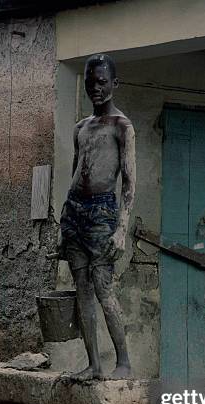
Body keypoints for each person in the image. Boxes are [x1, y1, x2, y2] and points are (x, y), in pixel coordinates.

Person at [57, 53, 136, 381]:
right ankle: (93, 364)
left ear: (114, 84)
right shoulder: (80, 127)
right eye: (90, 83)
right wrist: (64, 220)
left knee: (104, 289)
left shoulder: (122, 126)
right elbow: (76, 172)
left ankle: (124, 363)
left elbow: (130, 180)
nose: (96, 89)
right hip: (75, 212)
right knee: (83, 291)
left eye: (102, 82)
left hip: (104, 212)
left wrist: (122, 228)